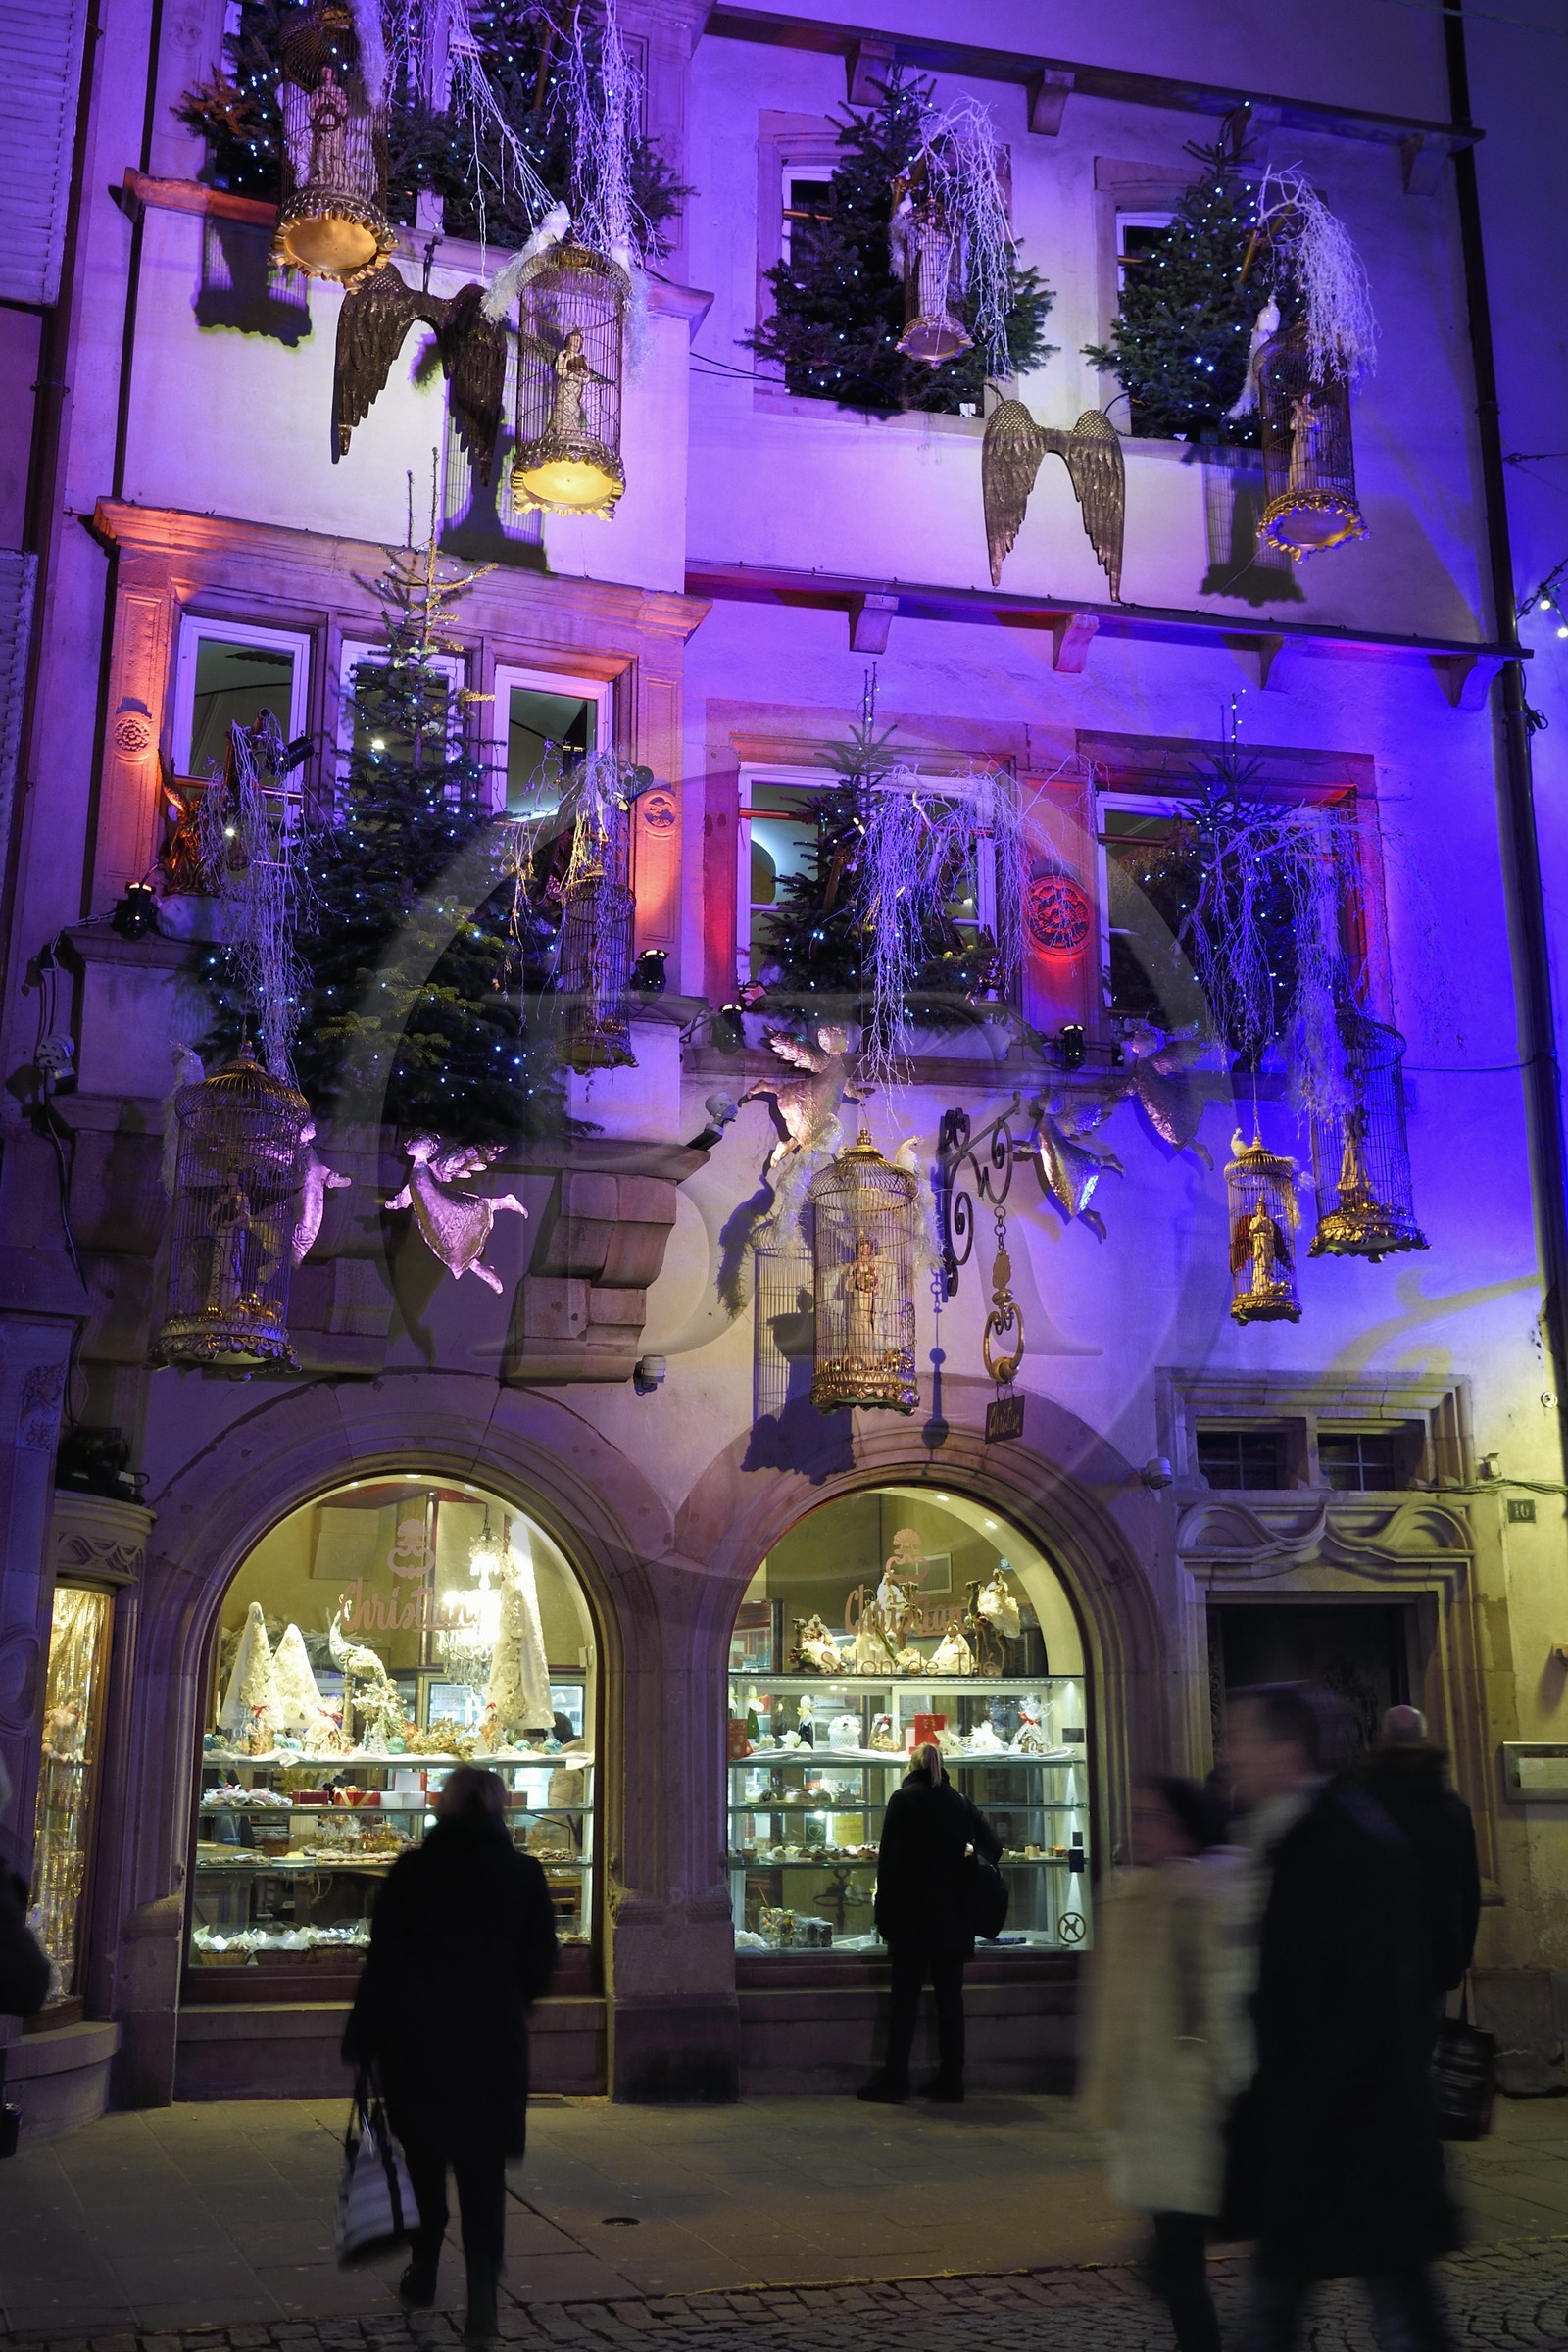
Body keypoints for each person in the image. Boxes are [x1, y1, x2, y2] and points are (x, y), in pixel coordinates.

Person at [1223, 1685, 1457, 2352]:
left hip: (1350, 2139)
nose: (1229, 1755)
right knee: (1309, 2307)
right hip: (1320, 2139)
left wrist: (1300, 2114)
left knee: (1395, 2312)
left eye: (1241, 1739)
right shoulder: (1284, 1836)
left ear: (1286, 1749)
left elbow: (1366, 2004)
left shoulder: (1338, 1841)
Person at [344, 1765, 558, 2343]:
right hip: (492, 2043)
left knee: (425, 2163)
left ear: (442, 1807)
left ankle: (426, 2269)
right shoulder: (522, 1873)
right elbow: (542, 1961)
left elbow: (383, 1961)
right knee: (483, 2174)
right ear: (498, 1809)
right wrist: (509, 1999)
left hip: (419, 2043)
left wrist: (362, 2036)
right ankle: (483, 2293)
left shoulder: (414, 1872)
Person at [1081, 1778, 1241, 2352]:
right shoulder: (1125, 1895)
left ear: (1180, 1828)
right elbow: (1112, 2009)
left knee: (1178, 2264)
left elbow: (1217, 2000)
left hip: (1180, 2104)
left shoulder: (1192, 1897)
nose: (1138, 1827)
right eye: (1137, 1815)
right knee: (1173, 2256)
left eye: (1152, 1817)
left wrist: (1211, 2083)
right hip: (1145, 2107)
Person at [858, 1741, 1001, 2104]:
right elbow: (993, 1847)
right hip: (955, 1917)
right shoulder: (959, 1802)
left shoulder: (904, 1801)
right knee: (950, 2002)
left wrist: (883, 1916)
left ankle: (895, 2080)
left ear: (912, 1766)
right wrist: (967, 1856)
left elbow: (889, 1864)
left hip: (912, 1917)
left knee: (903, 2001)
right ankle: (952, 2081)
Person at [1360, 1706, 1481, 2020]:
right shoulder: (1453, 1807)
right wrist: (1460, 1953)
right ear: (1425, 1737)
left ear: (1383, 1739)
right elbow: (1469, 1888)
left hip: (1374, 1956)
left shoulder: (1361, 1805)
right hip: (1436, 1953)